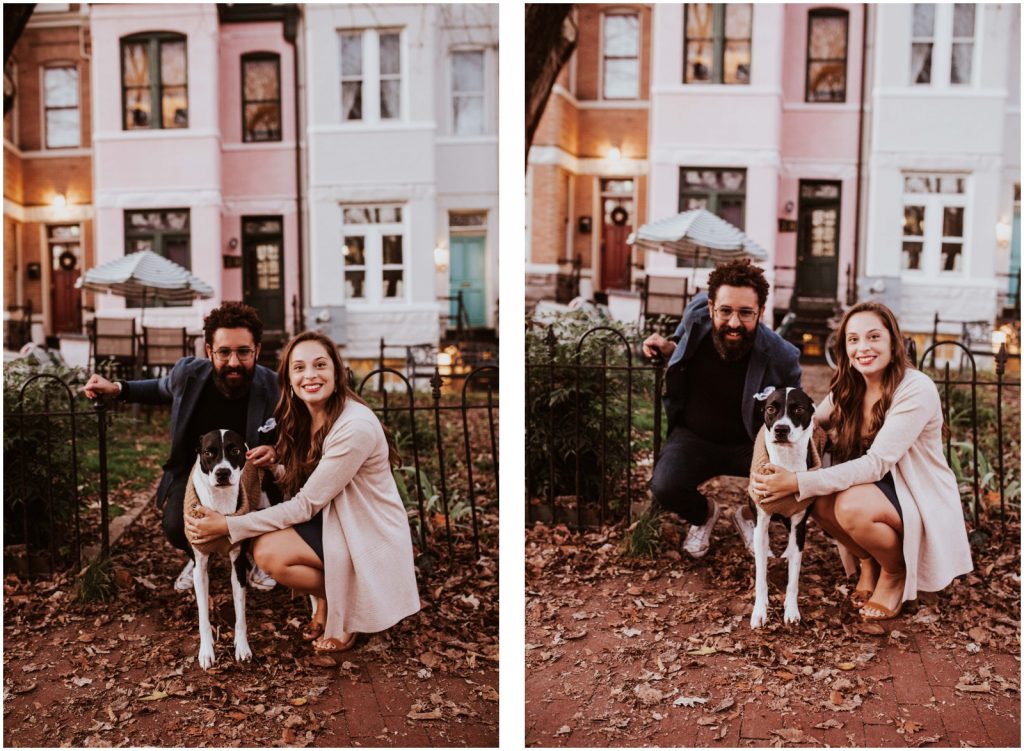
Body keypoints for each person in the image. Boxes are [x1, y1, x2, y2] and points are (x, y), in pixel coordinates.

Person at [185, 331, 420, 657]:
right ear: (289, 380)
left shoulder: (355, 426)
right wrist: (276, 467)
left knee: (268, 552)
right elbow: (316, 481)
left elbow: (307, 503)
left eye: (320, 365)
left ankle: (351, 607)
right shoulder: (306, 417)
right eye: (299, 368)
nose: (310, 375)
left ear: (337, 373)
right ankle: (329, 599)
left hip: (366, 532)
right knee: (266, 545)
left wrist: (228, 525)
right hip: (335, 520)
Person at [751, 301, 973, 620]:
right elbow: (810, 424)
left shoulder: (915, 389)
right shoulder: (850, 385)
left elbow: (876, 464)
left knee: (846, 504)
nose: (862, 347)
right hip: (876, 488)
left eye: (873, 337)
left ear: (893, 343)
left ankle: (894, 574)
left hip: (916, 493)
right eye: (853, 340)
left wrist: (797, 481)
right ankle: (868, 560)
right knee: (819, 501)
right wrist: (767, 461)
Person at [82, 302, 280, 592]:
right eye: (224, 352)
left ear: (257, 351)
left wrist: (275, 451)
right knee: (176, 527)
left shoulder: (273, 385)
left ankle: (251, 557)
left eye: (243, 352)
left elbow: (293, 429)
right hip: (191, 476)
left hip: (249, 479)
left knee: (265, 514)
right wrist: (118, 388)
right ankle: (198, 555)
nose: (234, 362)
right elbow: (159, 388)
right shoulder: (188, 375)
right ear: (210, 351)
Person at [642, 259, 801, 558]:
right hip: (694, 437)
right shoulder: (696, 314)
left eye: (745, 313)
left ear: (761, 312)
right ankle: (704, 516)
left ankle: (749, 515)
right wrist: (667, 348)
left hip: (749, 445)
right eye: (725, 311)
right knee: (664, 487)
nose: (734, 323)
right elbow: (681, 342)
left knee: (790, 486)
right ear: (712, 307)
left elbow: (795, 420)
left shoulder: (782, 356)